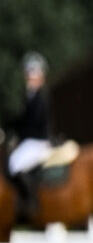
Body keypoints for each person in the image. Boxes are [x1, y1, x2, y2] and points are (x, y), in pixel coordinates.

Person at [8, 52, 53, 216]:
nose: (30, 77)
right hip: (30, 140)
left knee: (14, 164)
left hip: (37, 141)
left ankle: (30, 201)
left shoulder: (40, 98)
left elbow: (33, 123)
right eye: (29, 73)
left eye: (34, 73)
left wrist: (17, 134)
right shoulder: (29, 96)